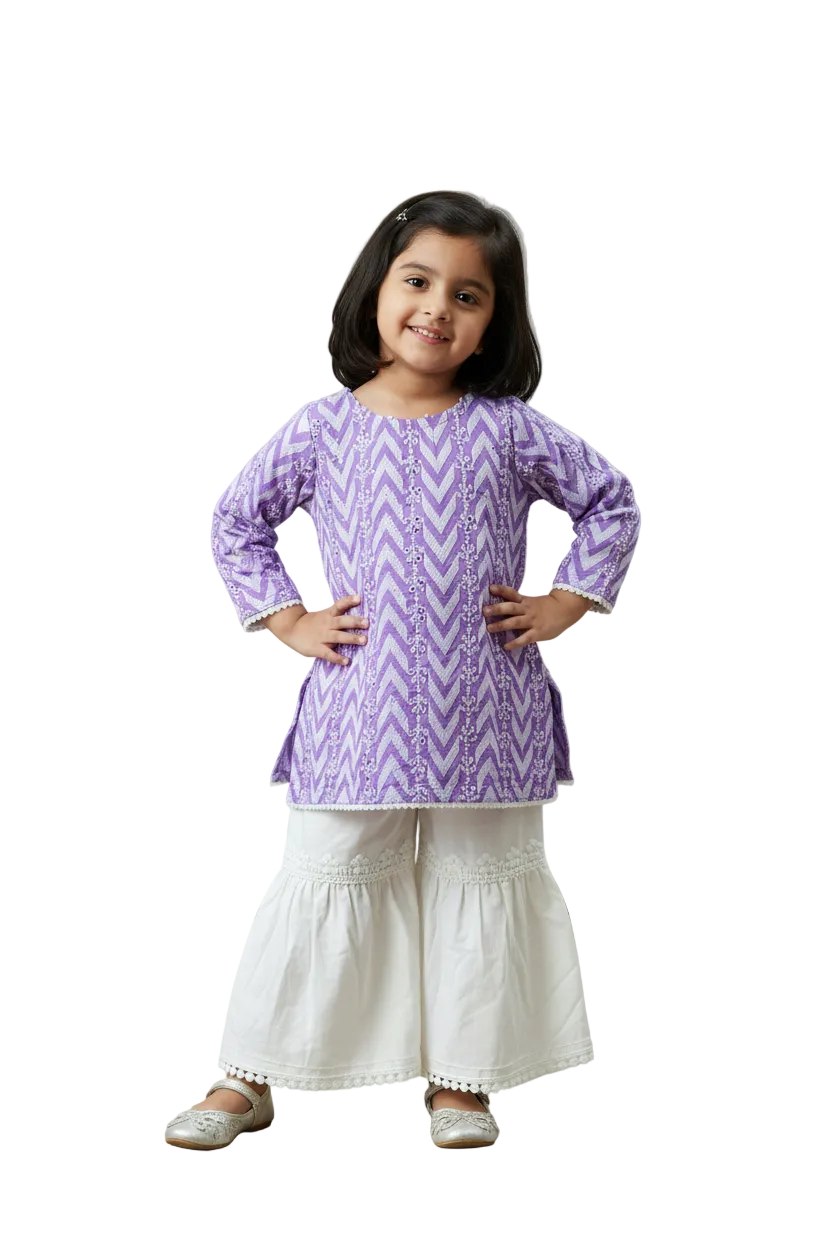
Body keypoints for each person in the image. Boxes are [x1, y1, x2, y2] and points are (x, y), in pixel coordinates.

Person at [164, 190, 641, 1151]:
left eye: (469, 295)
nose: (437, 308)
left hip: (486, 712)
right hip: (359, 710)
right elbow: (237, 519)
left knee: (479, 879)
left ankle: (462, 1078)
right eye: (418, 281)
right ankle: (250, 1072)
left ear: (494, 321)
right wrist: (287, 618)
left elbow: (611, 501)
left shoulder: (508, 428)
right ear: (375, 290)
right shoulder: (322, 429)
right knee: (325, 873)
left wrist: (566, 600)